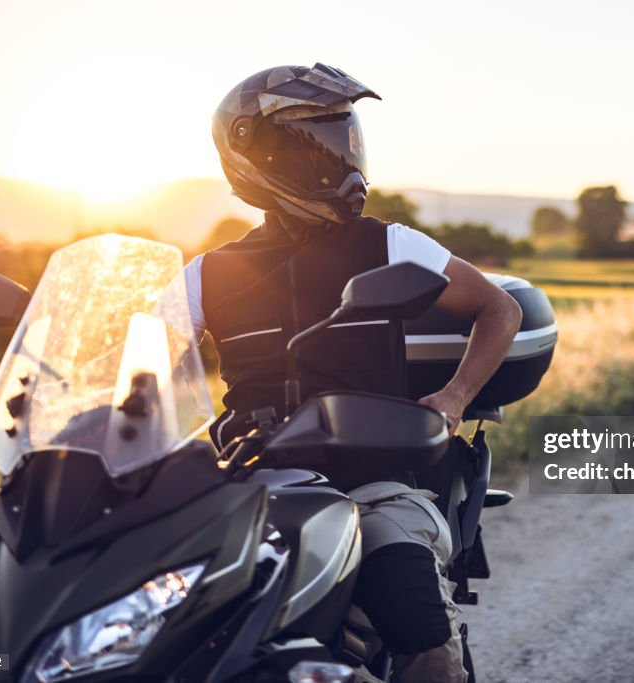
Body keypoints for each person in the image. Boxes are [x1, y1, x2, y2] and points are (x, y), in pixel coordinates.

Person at [188, 63, 522, 682]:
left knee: (414, 616)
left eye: (344, 143)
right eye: (316, 147)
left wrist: (454, 396)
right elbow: (138, 364)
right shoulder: (208, 275)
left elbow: (497, 307)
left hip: (371, 486)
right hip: (250, 492)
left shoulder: (388, 244)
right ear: (255, 156)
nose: (339, 165)